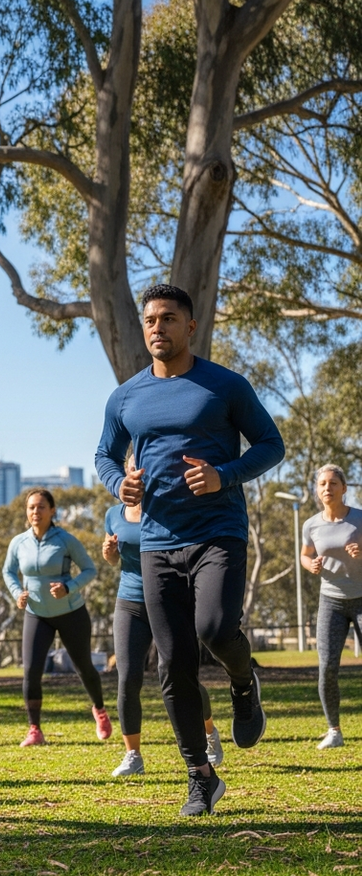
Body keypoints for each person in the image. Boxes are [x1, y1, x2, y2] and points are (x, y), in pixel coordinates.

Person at [95, 284, 284, 816]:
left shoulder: (224, 385)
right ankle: (200, 776)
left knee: (215, 629)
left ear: (191, 327)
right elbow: (105, 455)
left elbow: (272, 444)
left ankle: (244, 682)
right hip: (156, 542)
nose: (158, 328)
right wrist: (119, 485)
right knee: (173, 664)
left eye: (169, 319)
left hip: (217, 532)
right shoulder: (126, 396)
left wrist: (223, 475)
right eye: (151, 320)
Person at [101, 457, 223, 776]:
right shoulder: (113, 514)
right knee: (128, 678)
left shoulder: (168, 506)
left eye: (143, 464)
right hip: (129, 600)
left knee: (181, 674)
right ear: (126, 472)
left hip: (169, 599)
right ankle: (133, 755)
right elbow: (116, 561)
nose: (137, 471)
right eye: (132, 466)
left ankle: (209, 732)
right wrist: (110, 555)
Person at [2, 488, 111, 747]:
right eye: (31, 507)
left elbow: (89, 569)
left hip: (71, 613)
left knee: (84, 666)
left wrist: (68, 587)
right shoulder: (19, 542)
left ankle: (99, 710)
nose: (35, 512)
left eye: (41, 507)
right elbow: (8, 571)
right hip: (36, 614)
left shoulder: (65, 540)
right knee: (31, 672)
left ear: (52, 511)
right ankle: (35, 730)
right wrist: (18, 593)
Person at [300, 463, 362, 750]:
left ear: (344, 488)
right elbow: (304, 554)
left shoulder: (359, 519)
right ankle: (334, 730)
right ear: (317, 489)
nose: (327, 488)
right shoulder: (311, 525)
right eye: (322, 483)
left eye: (333, 483)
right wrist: (310, 564)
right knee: (327, 667)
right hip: (331, 602)